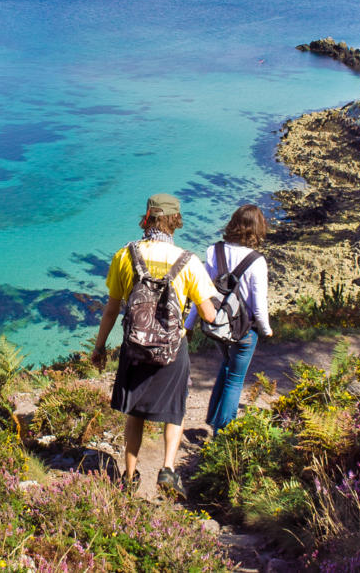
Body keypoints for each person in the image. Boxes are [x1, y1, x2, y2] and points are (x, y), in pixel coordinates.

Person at [92, 193, 217, 500]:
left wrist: (99, 348)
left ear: (147, 218)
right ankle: (168, 469)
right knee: (175, 411)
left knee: (135, 413)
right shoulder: (188, 261)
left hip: (134, 347)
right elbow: (209, 314)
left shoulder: (125, 254)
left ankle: (130, 476)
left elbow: (111, 310)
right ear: (175, 221)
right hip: (173, 350)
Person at [189, 204, 273, 436]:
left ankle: (213, 417)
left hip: (219, 325)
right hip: (245, 329)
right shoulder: (257, 261)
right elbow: (258, 303)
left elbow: (201, 293)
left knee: (226, 366)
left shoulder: (213, 251)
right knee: (235, 379)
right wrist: (266, 330)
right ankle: (222, 433)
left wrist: (188, 325)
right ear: (257, 229)